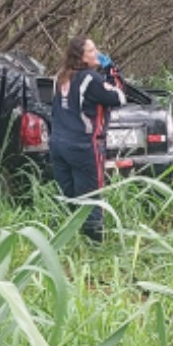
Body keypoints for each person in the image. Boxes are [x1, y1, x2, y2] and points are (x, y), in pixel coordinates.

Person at [49, 36, 126, 241]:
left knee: (70, 196)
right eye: (92, 51)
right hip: (83, 146)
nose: (98, 54)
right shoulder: (90, 79)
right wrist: (112, 71)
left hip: (58, 144)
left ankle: (70, 240)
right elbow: (119, 97)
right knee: (90, 197)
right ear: (81, 57)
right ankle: (95, 245)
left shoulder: (60, 76)